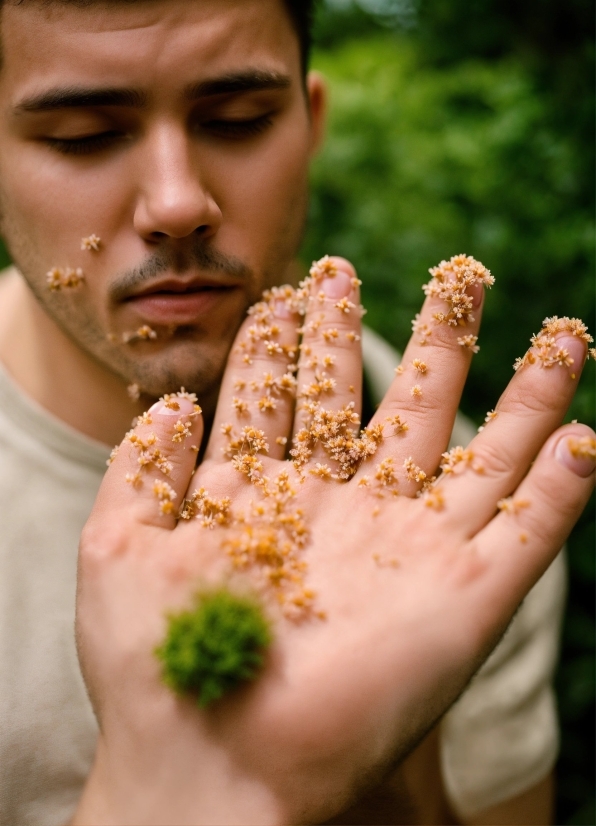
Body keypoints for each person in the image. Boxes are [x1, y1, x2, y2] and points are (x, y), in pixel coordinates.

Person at [0, 1, 592, 824]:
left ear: (309, 124)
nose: (176, 203)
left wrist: (376, 754)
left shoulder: (461, 504)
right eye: (83, 136)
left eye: (238, 121)